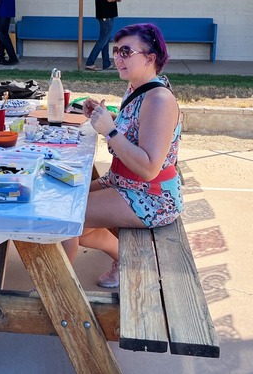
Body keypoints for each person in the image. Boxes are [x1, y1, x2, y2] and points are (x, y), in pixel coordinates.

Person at [65, 23, 182, 288]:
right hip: (123, 182)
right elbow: (135, 130)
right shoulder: (136, 88)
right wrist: (105, 117)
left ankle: (59, 292)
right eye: (116, 50)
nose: (117, 57)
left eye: (126, 51)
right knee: (66, 201)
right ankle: (123, 258)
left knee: (69, 216)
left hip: (151, 195)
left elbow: (150, 167)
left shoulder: (159, 99)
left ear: (150, 58)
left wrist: (110, 131)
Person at [85, 0, 122, 71]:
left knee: (105, 39)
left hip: (103, 14)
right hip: (106, 14)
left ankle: (106, 63)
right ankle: (90, 62)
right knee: (103, 39)